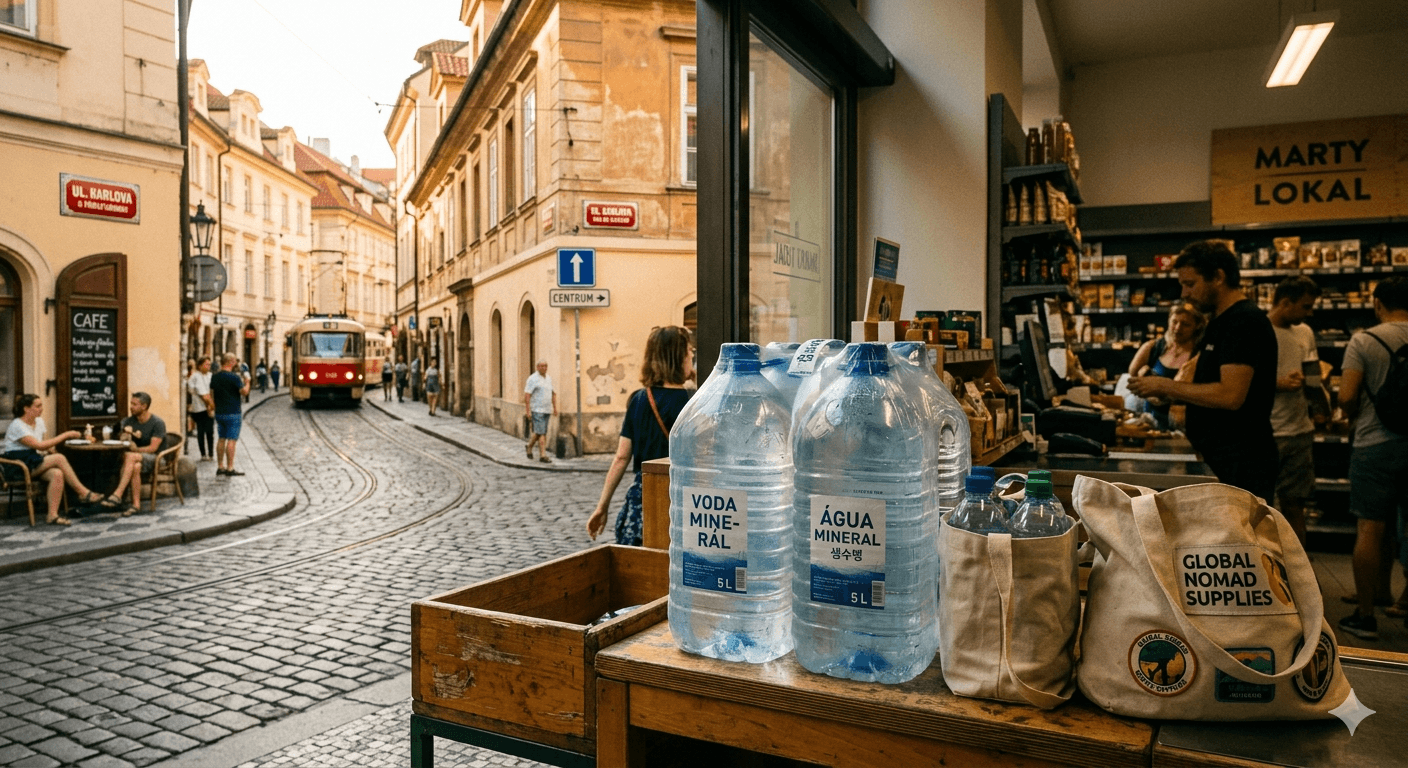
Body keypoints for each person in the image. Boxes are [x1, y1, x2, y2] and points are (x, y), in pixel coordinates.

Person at [1128, 240, 1278, 501]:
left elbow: (1231, 395)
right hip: (1222, 458)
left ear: (1218, 277)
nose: (1184, 293)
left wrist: (1165, 385)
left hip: (1241, 462)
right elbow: (1210, 386)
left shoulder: (1243, 321)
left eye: (1190, 284)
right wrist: (1167, 394)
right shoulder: (1220, 321)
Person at [1336, 277, 1408, 641]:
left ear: (1378, 303)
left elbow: (1347, 396)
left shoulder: (1364, 340)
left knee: (1370, 528)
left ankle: (1365, 615)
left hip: (1374, 443)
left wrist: (1350, 413)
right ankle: (1398, 598)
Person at [588, 326, 694, 545]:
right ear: (679, 358)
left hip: (644, 500)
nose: (692, 357)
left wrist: (602, 507)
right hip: (683, 500)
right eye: (689, 352)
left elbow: (621, 457)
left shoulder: (639, 399)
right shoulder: (694, 402)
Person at [1268, 276, 1321, 546]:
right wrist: (1278, 383)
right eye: (1305, 306)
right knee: (1260, 507)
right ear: (1286, 302)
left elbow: (1313, 377)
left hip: (1299, 432)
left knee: (1295, 505)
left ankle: (1298, 565)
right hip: (1267, 433)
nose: (1309, 313)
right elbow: (1238, 382)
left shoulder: (1305, 332)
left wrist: (1320, 407)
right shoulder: (1258, 330)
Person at [2, 394, 106, 525]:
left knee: (57, 473)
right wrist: (66, 435)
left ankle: (52, 515)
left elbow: (42, 443)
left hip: (33, 461)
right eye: (38, 406)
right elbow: (39, 445)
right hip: (18, 466)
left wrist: (50, 449)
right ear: (26, 409)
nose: (41, 409)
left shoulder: (39, 422)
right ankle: (83, 493)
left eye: (41, 405)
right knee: (59, 458)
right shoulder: (17, 425)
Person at [1126, 303, 1205, 429]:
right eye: (1174, 322)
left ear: (1197, 326)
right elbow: (1133, 377)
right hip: (1149, 424)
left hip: (1183, 427)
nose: (1178, 328)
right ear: (1169, 320)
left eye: (1185, 324)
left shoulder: (1199, 355)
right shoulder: (1153, 347)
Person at [105, 392, 166, 516]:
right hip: (135, 459)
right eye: (131, 403)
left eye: (134, 404)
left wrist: (136, 450)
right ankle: (136, 505)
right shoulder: (129, 421)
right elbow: (120, 439)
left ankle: (118, 494)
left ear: (144, 406)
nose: (131, 407)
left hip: (156, 458)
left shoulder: (157, 423)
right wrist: (124, 436)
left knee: (130, 456)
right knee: (136, 466)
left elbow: (153, 448)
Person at [212, 352, 250, 477]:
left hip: (220, 412)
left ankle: (220, 466)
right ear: (231, 362)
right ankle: (230, 468)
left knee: (221, 439)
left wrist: (214, 407)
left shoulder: (215, 377)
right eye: (235, 361)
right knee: (232, 440)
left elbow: (212, 393)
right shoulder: (234, 377)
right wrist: (247, 382)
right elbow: (244, 392)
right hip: (233, 412)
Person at [523, 360, 558, 462]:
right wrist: (528, 410)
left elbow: (553, 393)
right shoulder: (532, 378)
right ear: (537, 367)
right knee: (541, 432)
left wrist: (554, 407)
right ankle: (543, 455)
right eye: (541, 366)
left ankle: (529, 446)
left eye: (545, 366)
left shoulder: (548, 378)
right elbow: (527, 394)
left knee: (540, 432)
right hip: (537, 409)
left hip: (547, 409)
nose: (544, 368)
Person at [187, 356, 215, 461]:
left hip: (209, 406)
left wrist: (211, 406)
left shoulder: (210, 375)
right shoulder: (195, 377)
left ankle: (211, 454)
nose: (208, 366)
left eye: (209, 364)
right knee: (201, 431)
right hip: (199, 408)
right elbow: (203, 395)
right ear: (200, 366)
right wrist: (211, 406)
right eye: (206, 364)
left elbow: (212, 391)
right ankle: (203, 454)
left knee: (210, 432)